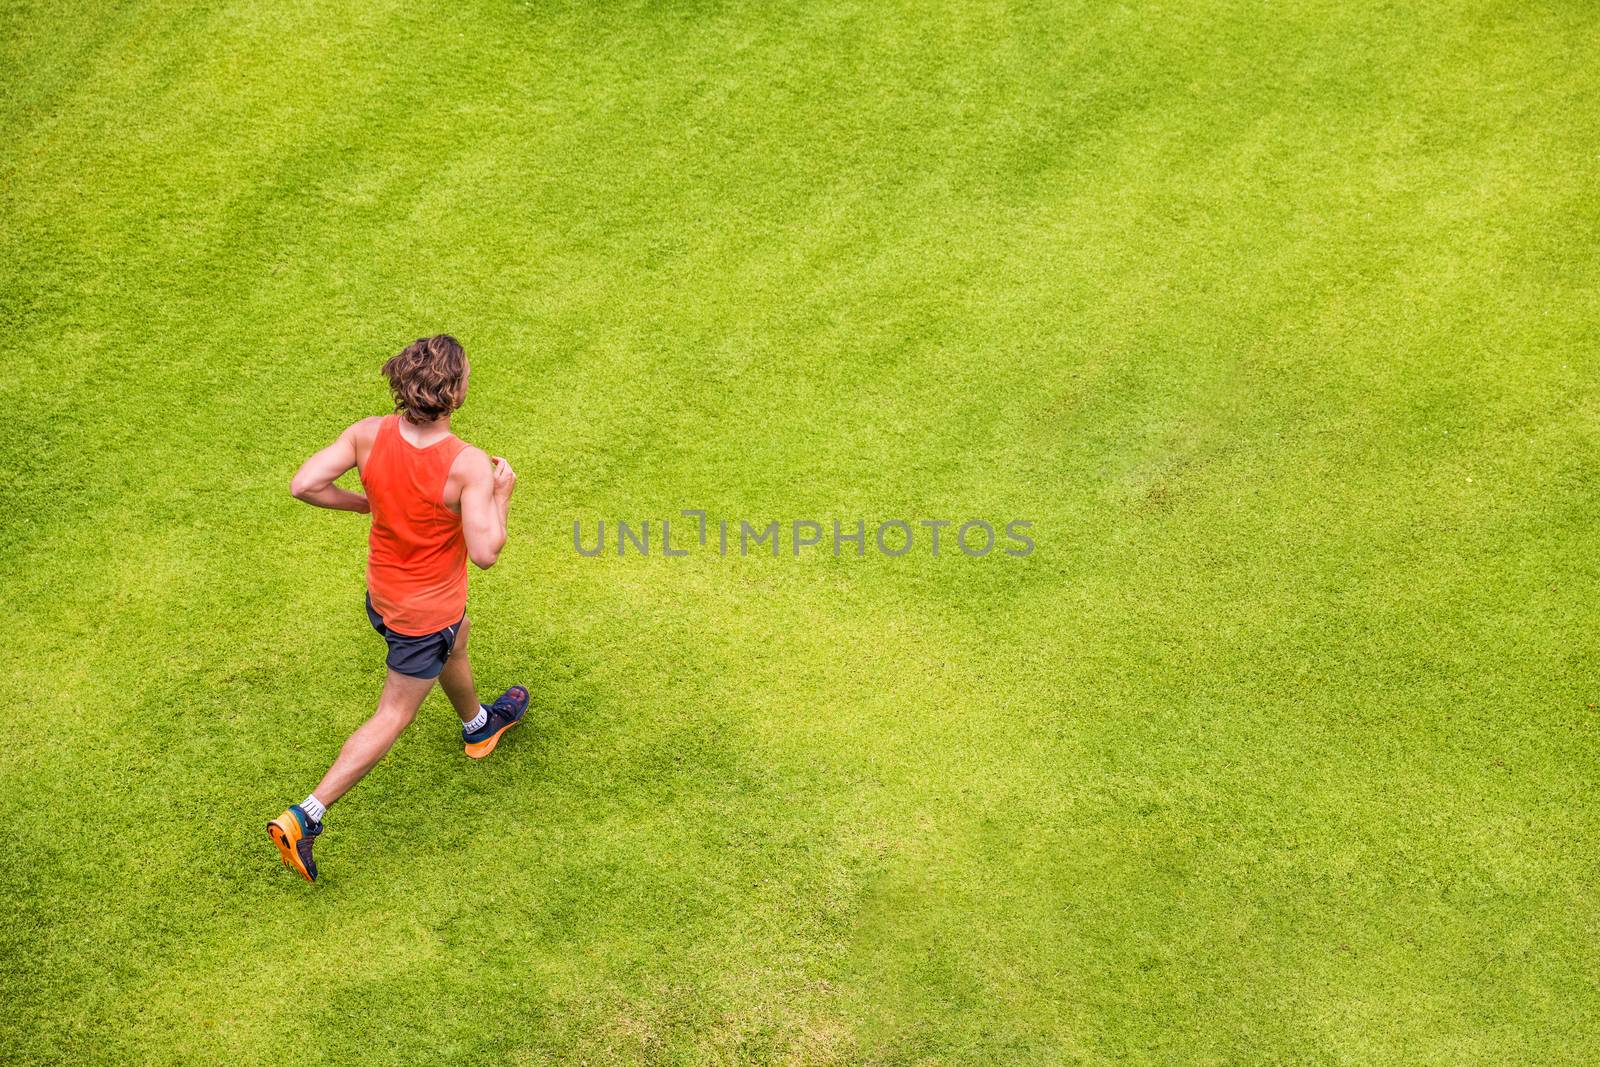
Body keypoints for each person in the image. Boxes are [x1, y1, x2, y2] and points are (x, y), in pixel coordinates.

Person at [266, 334, 525, 882]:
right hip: (423, 613)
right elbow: (485, 553)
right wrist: (501, 494)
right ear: (454, 394)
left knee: (459, 635)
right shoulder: (468, 464)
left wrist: (371, 502)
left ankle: (478, 725)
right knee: (394, 712)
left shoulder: (367, 434)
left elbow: (305, 484)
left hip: (383, 596)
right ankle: (305, 817)